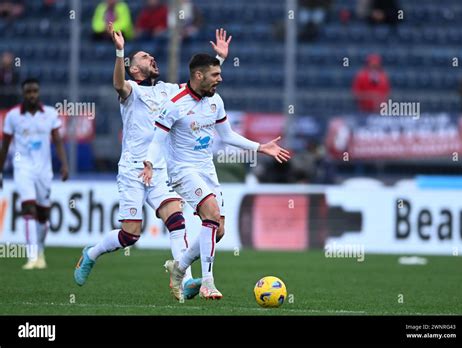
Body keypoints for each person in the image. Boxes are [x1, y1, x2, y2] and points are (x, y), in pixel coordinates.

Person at [74, 24, 232, 300]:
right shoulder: (131, 90)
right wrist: (120, 51)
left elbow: (200, 84)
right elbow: (117, 84)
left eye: (151, 56)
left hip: (161, 169)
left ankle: (185, 280)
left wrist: (218, 60)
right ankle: (91, 253)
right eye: (145, 58)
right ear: (134, 69)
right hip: (133, 169)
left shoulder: (169, 90)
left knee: (177, 222)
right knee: (130, 235)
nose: (151, 59)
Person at [140, 54, 291, 300]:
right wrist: (148, 163)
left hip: (206, 170)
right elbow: (157, 141)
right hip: (182, 170)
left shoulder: (215, 101)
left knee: (217, 230)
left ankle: (178, 269)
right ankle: (207, 283)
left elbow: (228, 135)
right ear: (198, 75)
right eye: (215, 75)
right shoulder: (174, 103)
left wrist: (260, 147)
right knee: (210, 213)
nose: (220, 79)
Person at [0, 78, 69, 269]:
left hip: (44, 171)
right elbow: (5, 145)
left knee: (43, 215)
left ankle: (40, 252)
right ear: (23, 93)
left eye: (35, 91)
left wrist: (64, 165)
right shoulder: (13, 116)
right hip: (23, 168)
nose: (32, 95)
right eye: (28, 91)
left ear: (38, 92)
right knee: (28, 208)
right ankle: (31, 256)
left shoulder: (50, 114)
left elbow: (57, 141)